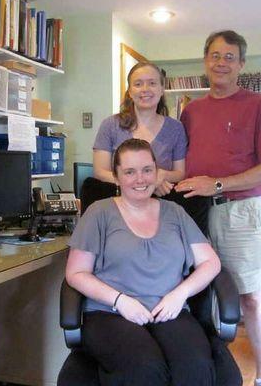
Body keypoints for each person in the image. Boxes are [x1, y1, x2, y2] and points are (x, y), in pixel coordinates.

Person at [176, 30, 261, 386]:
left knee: (249, 296)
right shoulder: (190, 111)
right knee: (199, 293)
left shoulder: (257, 105)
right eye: (215, 55)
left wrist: (218, 184)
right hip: (195, 212)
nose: (221, 62)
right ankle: (206, 369)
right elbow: (180, 163)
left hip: (239, 211)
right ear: (205, 61)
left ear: (241, 64)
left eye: (229, 57)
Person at [66, 138, 221, 386]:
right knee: (145, 369)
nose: (141, 179)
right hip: (110, 314)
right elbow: (76, 272)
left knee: (195, 367)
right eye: (130, 172)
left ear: (157, 172)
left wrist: (179, 295)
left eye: (147, 170)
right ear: (116, 177)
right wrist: (121, 301)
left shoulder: (175, 212)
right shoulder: (99, 212)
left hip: (169, 311)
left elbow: (211, 263)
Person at [93, 62, 187, 196]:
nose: (145, 89)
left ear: (161, 90)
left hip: (161, 203)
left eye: (152, 83)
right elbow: (100, 171)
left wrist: (162, 175)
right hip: (118, 202)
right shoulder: (110, 125)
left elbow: (180, 173)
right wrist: (144, 183)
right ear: (130, 92)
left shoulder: (176, 128)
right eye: (138, 84)